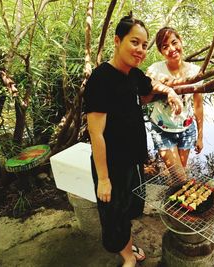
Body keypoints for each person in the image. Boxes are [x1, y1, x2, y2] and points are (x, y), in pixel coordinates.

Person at [83, 15, 181, 267]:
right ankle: (127, 255)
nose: (140, 50)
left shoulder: (133, 75)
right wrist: (103, 179)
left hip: (133, 160)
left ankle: (128, 245)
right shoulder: (101, 79)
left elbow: (151, 87)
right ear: (117, 41)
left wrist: (169, 91)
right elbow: (96, 133)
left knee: (129, 209)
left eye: (145, 45)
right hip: (111, 166)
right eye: (134, 42)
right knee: (114, 216)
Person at [146, 27, 204, 175]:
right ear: (160, 51)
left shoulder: (195, 72)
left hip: (187, 129)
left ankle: (171, 194)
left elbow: (198, 105)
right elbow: (144, 95)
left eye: (174, 42)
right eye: (165, 47)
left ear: (181, 41)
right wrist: (166, 89)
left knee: (179, 172)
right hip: (162, 130)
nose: (172, 49)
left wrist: (200, 136)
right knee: (179, 175)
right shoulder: (155, 70)